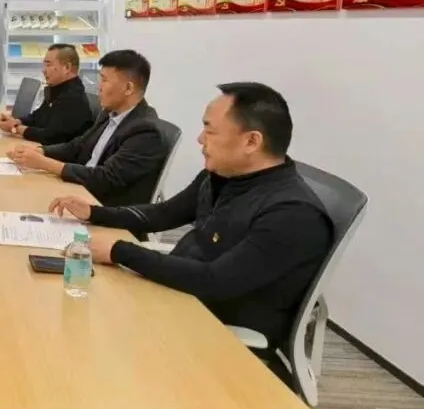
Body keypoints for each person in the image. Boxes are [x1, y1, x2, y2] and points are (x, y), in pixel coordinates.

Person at [50, 82, 333, 362]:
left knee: (80, 338)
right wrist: (94, 213)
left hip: (215, 336)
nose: (200, 139)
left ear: (251, 141)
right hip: (176, 297)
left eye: (210, 130)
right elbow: (163, 214)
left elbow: (214, 281)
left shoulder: (291, 214)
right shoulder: (222, 176)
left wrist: (119, 251)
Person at [7, 49, 165, 206]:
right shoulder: (109, 113)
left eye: (104, 80)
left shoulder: (146, 131)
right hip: (80, 190)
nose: (99, 87)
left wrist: (45, 163)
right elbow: (78, 146)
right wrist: (41, 151)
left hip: (101, 206)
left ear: (128, 88)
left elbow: (106, 178)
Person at [0, 43, 94, 145]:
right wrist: (17, 122)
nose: (43, 71)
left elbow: (51, 136)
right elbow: (38, 117)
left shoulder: (73, 98)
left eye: (48, 65)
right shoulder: (57, 90)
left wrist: (15, 128)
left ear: (67, 67)